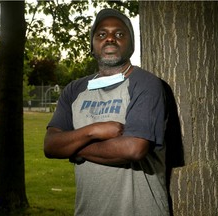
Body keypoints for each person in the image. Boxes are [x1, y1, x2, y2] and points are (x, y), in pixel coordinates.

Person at [44, 8, 170, 216]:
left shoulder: (146, 83)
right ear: (92, 44)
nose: (110, 38)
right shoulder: (75, 90)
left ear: (131, 44)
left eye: (119, 34)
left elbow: (133, 148)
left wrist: (74, 148)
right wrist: (92, 131)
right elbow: (50, 145)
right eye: (102, 34)